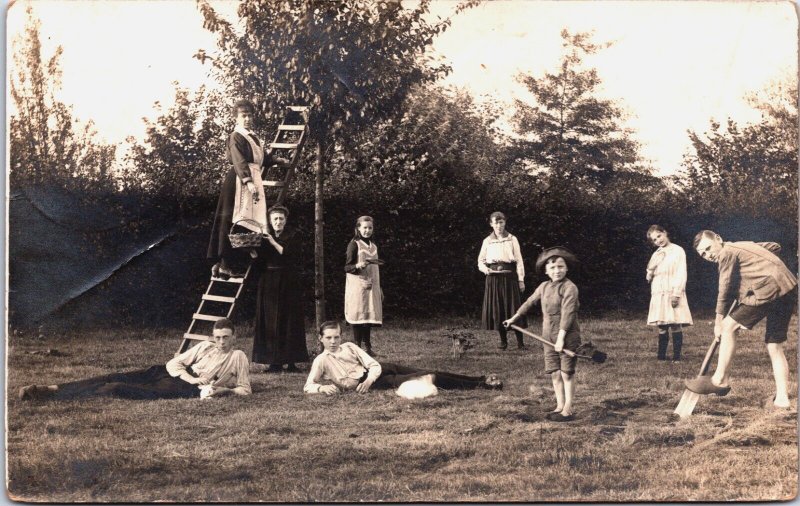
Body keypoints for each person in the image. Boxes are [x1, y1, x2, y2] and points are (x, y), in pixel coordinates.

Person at [687, 231, 797, 408]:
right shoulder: (742, 245)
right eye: (703, 254)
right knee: (774, 345)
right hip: (788, 288)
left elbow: (724, 289)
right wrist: (757, 268)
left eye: (708, 248)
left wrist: (718, 322)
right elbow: (774, 246)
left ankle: (720, 380)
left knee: (728, 326)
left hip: (769, 290)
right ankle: (782, 400)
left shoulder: (726, 253)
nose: (708, 255)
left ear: (718, 239)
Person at [19, 318, 251, 401]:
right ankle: (50, 388)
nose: (222, 342)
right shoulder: (205, 345)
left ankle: (54, 397)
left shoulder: (238, 357)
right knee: (112, 376)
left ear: (234, 337)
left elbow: (245, 390)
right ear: (214, 336)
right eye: (218, 337)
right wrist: (190, 378)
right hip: (170, 374)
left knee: (117, 387)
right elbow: (173, 363)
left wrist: (224, 391)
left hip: (182, 387)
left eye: (226, 338)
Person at [207, 99, 290, 278]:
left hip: (252, 178)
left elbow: (261, 159)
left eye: (250, 116)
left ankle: (223, 264)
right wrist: (248, 181)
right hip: (239, 180)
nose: (247, 119)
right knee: (231, 219)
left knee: (248, 220)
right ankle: (223, 263)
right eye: (243, 116)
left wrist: (277, 160)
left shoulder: (252, 137)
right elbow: (239, 160)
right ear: (236, 118)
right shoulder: (236, 136)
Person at [304, 321, 503, 395]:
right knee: (428, 375)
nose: (333, 341)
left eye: (336, 336)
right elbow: (308, 386)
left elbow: (372, 364)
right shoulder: (321, 360)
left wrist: (372, 376)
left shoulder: (349, 346)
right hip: (373, 382)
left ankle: (479, 378)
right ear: (320, 339)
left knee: (419, 369)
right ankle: (483, 385)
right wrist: (321, 387)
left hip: (377, 371)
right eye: (328, 338)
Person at [504, 246, 581, 422]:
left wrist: (561, 339)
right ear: (546, 271)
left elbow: (568, 314)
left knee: (566, 372)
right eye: (552, 268)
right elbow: (529, 302)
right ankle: (559, 405)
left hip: (567, 335)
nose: (557, 271)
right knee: (555, 372)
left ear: (566, 268)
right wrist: (513, 318)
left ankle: (568, 408)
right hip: (548, 335)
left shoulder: (570, 288)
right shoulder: (544, 286)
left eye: (561, 266)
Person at [252, 205, 309, 373]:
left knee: (289, 320)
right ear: (270, 220)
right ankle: (273, 362)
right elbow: (259, 264)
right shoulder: (263, 237)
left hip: (288, 281)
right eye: (275, 219)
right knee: (270, 321)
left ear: (286, 220)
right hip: (268, 282)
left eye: (281, 219)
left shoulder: (293, 235)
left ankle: (291, 362)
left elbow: (289, 255)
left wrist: (271, 241)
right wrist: (254, 255)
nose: (278, 222)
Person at [478, 211, 526, 350]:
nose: (498, 226)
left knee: (514, 308)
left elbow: (519, 261)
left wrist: (521, 280)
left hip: (510, 277)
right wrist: (487, 270)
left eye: (501, 222)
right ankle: (503, 342)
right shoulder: (487, 241)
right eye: (496, 222)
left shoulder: (512, 239)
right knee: (497, 308)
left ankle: (520, 342)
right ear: (491, 224)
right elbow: (480, 261)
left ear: (505, 223)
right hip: (493, 278)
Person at [645, 225, 693, 361]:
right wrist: (650, 270)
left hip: (672, 290)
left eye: (659, 236)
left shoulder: (678, 251)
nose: (658, 240)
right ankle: (661, 357)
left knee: (675, 323)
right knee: (662, 324)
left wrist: (676, 293)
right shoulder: (656, 254)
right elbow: (649, 275)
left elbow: (681, 272)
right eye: (654, 240)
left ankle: (677, 357)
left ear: (665, 233)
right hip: (659, 291)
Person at [344, 215, 383, 355]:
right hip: (357, 286)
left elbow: (375, 269)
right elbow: (347, 267)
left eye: (370, 228)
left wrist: (380, 288)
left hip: (371, 286)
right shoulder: (354, 244)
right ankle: (357, 347)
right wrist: (358, 265)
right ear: (358, 228)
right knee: (358, 316)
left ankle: (368, 347)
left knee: (367, 317)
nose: (367, 230)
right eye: (364, 227)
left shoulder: (373, 246)